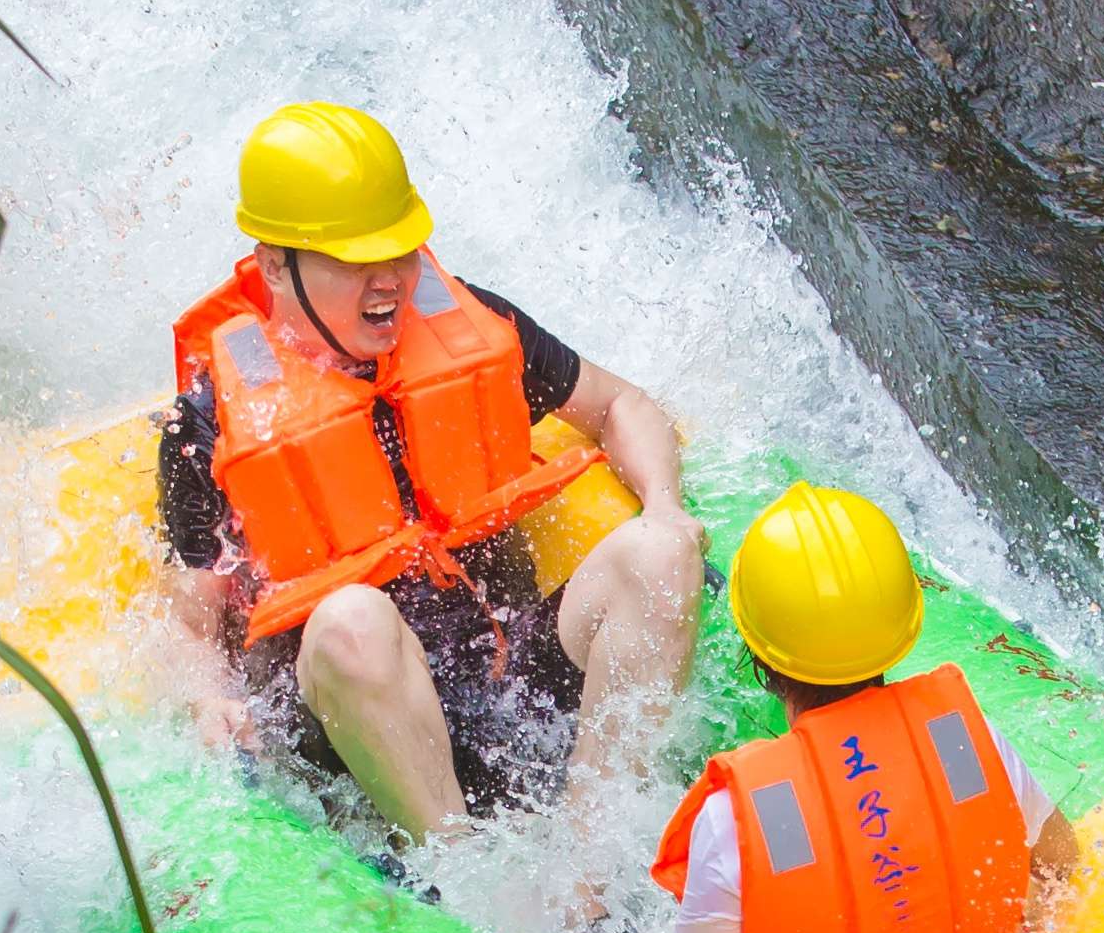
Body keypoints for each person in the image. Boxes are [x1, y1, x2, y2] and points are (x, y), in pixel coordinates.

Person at [160, 101, 702, 836]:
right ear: (273, 268)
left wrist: (664, 504)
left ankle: (596, 865)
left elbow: (621, 406)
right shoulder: (211, 420)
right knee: (352, 616)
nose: (388, 282)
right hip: (361, 732)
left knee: (664, 550)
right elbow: (190, 622)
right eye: (355, 262)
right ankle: (464, 876)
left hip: (510, 676)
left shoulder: (467, 327)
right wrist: (207, 700)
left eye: (401, 250)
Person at [509, 483, 1078, 933]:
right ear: (904, 628)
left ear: (757, 654)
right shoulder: (964, 738)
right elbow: (1058, 864)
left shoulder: (746, 811)